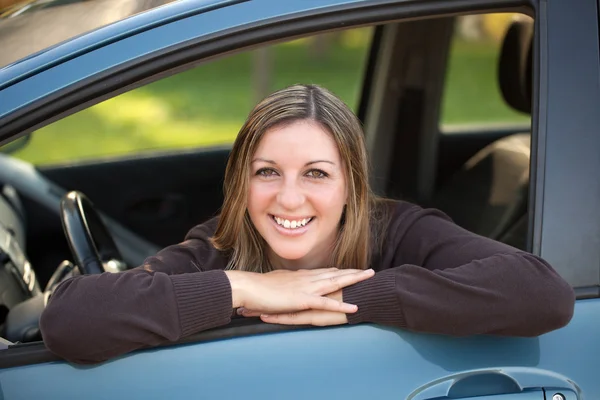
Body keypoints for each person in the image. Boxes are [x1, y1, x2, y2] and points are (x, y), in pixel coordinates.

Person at [39, 84, 575, 364]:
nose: (288, 198)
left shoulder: (397, 230)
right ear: (240, 182)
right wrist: (245, 288)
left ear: (352, 186)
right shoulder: (221, 245)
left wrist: (346, 301)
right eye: (267, 172)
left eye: (317, 174)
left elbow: (542, 294)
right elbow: (69, 321)